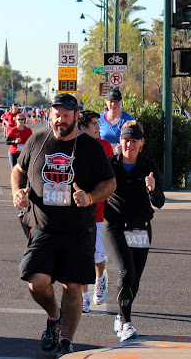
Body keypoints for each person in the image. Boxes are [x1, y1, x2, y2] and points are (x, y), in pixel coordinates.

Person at [11, 93, 116, 357]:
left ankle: (67, 341)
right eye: (57, 115)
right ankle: (54, 316)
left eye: (66, 116)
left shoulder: (91, 147)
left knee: (73, 286)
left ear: (76, 116)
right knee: (36, 282)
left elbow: (109, 183)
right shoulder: (37, 140)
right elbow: (18, 170)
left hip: (78, 230)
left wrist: (90, 197)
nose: (61, 120)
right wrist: (16, 192)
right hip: (42, 227)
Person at [104, 120, 164, 342]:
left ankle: (121, 316)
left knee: (135, 279)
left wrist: (153, 189)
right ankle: (126, 323)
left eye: (134, 141)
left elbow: (159, 202)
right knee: (126, 270)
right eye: (126, 140)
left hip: (141, 228)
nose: (129, 144)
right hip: (115, 227)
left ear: (142, 143)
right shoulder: (110, 164)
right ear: (120, 141)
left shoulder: (149, 166)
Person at [77, 110, 114, 313]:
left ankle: (100, 279)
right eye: (94, 124)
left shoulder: (105, 146)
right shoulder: (73, 146)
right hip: (78, 211)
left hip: (100, 210)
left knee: (98, 255)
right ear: (82, 127)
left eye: (98, 124)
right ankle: (83, 296)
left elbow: (111, 179)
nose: (98, 128)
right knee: (83, 255)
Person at [99, 89, 135, 153]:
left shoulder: (129, 120)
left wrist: (124, 147)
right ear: (106, 102)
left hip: (121, 156)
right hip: (103, 156)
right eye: (111, 101)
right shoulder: (99, 119)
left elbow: (135, 142)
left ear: (121, 101)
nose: (113, 104)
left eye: (116, 101)